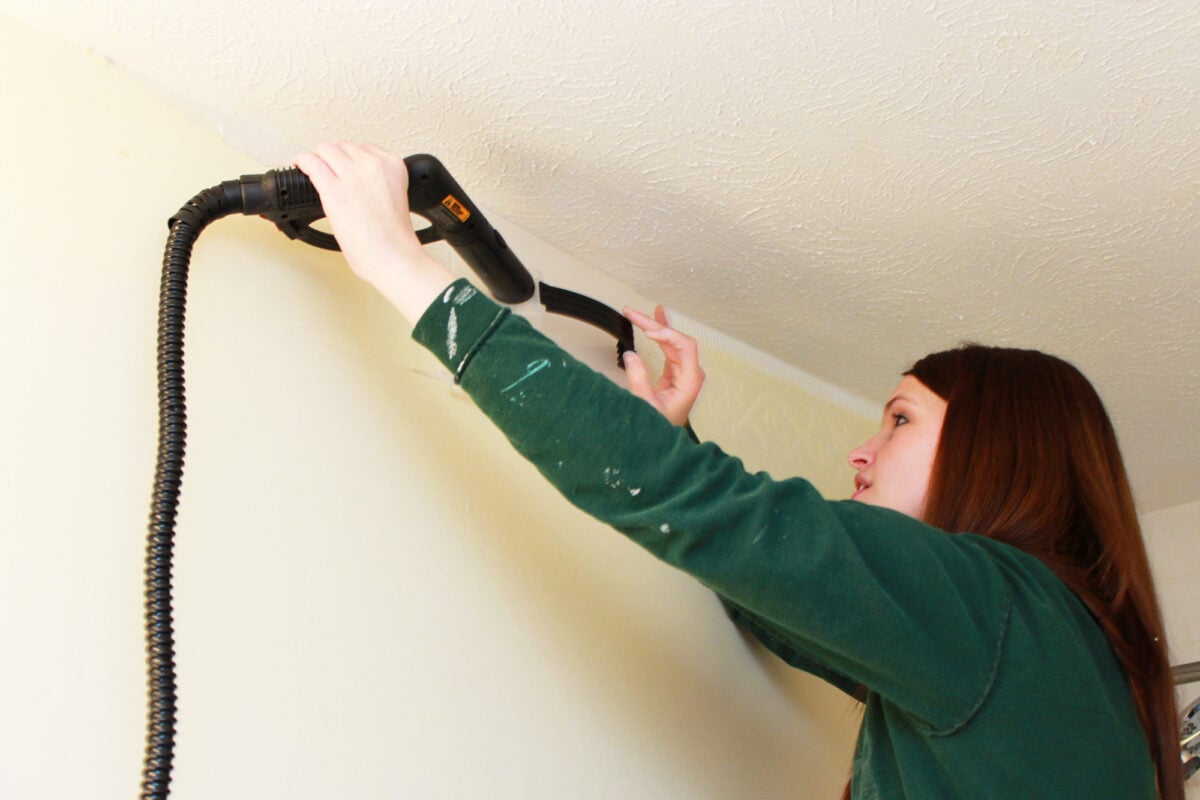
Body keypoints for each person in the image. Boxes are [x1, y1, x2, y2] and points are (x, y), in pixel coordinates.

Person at [293, 142, 1183, 799]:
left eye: (901, 418)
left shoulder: (997, 610)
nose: (860, 451)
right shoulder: (1060, 662)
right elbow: (782, 593)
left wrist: (404, 271)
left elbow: (723, 519)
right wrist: (676, 446)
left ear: (1004, 452)